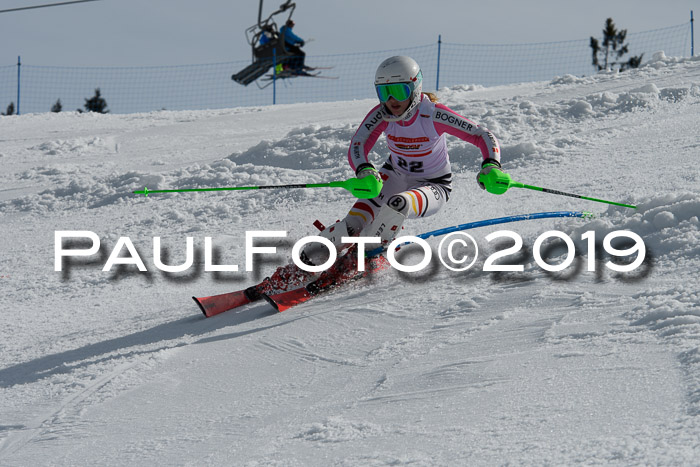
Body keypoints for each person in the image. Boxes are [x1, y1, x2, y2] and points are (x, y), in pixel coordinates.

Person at [244, 56, 505, 300]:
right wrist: (365, 170)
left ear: (415, 88)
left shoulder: (433, 113)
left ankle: (366, 256)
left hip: (432, 185)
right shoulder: (381, 114)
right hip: (394, 174)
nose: (391, 100)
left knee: (398, 205)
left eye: (399, 91)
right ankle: (299, 268)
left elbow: (481, 134)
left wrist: (491, 165)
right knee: (350, 226)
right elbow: (358, 144)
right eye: (384, 92)